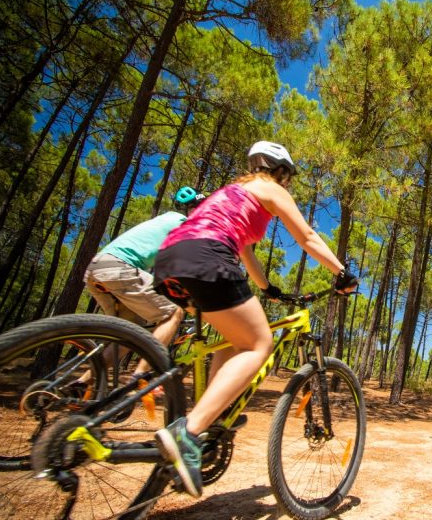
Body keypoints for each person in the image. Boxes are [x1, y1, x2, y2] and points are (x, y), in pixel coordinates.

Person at [152, 140, 358, 498]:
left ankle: (213, 416)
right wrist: (342, 273)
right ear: (280, 171)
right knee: (259, 344)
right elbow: (307, 237)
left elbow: (246, 254)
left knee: (235, 340)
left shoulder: (232, 192)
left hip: (172, 256)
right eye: (288, 176)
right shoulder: (269, 189)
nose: (287, 182)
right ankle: (189, 432)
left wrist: (268, 288)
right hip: (208, 255)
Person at [81, 187, 206, 380]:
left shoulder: (164, 220)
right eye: (197, 208)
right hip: (120, 267)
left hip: (98, 268)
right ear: (188, 210)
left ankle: (82, 382)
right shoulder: (182, 223)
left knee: (129, 334)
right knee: (173, 312)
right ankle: (141, 375)